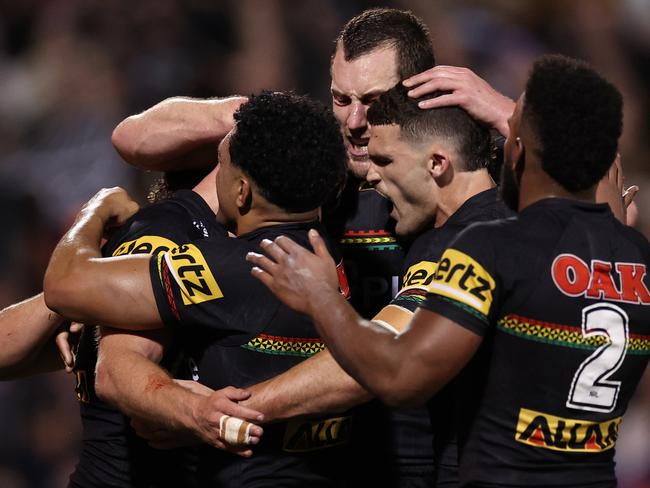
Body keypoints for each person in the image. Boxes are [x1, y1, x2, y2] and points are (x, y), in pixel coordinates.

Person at [111, 9, 516, 486]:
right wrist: (251, 118)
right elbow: (132, 138)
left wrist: (505, 110)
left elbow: (600, 207)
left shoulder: (474, 187)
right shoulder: (315, 172)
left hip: (438, 453)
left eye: (373, 100)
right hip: (329, 457)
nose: (355, 120)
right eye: (341, 99)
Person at [248, 54, 649, 487]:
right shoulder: (631, 251)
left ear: (518, 150)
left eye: (510, 131)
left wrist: (320, 297)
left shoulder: (488, 247)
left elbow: (400, 377)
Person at [44, 91, 351, 487]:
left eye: (221, 164)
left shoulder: (237, 267)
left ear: (242, 192)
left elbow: (65, 284)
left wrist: (95, 211)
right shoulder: (329, 250)